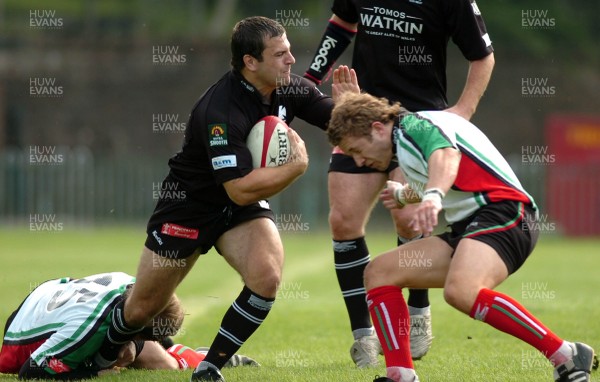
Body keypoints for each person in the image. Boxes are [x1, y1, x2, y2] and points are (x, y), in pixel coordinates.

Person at [89, 16, 359, 382]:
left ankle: (210, 366)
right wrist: (296, 167)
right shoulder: (221, 110)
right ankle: (101, 353)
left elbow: (342, 125)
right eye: (280, 54)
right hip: (190, 206)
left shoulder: (288, 89)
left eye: (290, 51)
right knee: (143, 310)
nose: (292, 60)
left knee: (266, 277)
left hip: (239, 209)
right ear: (250, 62)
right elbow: (239, 187)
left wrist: (350, 110)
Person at [326, 92, 599, 382]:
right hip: (474, 224)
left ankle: (565, 355)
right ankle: (401, 375)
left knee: (461, 291)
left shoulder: (414, 127)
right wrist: (405, 195)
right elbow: (440, 173)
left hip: (507, 214)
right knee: (379, 273)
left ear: (378, 128)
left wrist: (432, 198)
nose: (358, 160)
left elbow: (447, 156)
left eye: (356, 149)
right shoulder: (407, 142)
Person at [304, 0, 495, 367]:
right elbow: (342, 23)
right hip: (362, 116)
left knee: (407, 218)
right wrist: (311, 79)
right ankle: (363, 336)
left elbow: (482, 56)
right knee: (342, 221)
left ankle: (419, 309)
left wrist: (462, 113)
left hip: (418, 119)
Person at [0, 272, 257, 380]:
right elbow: (28, 371)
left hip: (47, 293)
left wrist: (138, 343)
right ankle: (190, 357)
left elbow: (151, 319)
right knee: (154, 360)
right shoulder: (86, 329)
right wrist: (93, 373)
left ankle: (193, 355)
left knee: (153, 356)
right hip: (19, 340)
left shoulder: (134, 285)